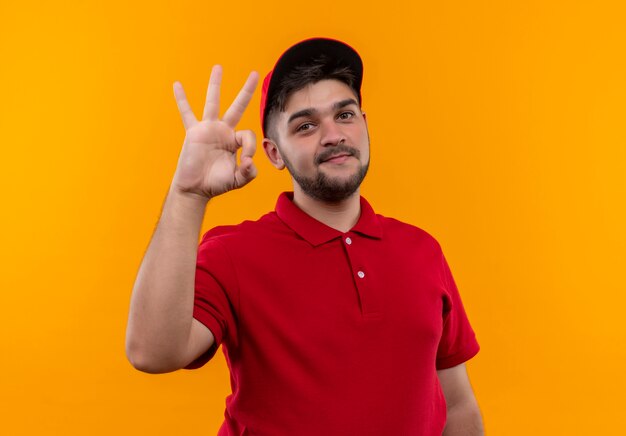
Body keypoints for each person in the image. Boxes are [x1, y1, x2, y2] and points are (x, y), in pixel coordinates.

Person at [126, 38, 484, 436]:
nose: (333, 135)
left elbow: (458, 404)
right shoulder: (233, 253)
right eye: (306, 125)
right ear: (274, 153)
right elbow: (151, 351)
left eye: (345, 115)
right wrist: (187, 193)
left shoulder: (422, 251)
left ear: (365, 125)